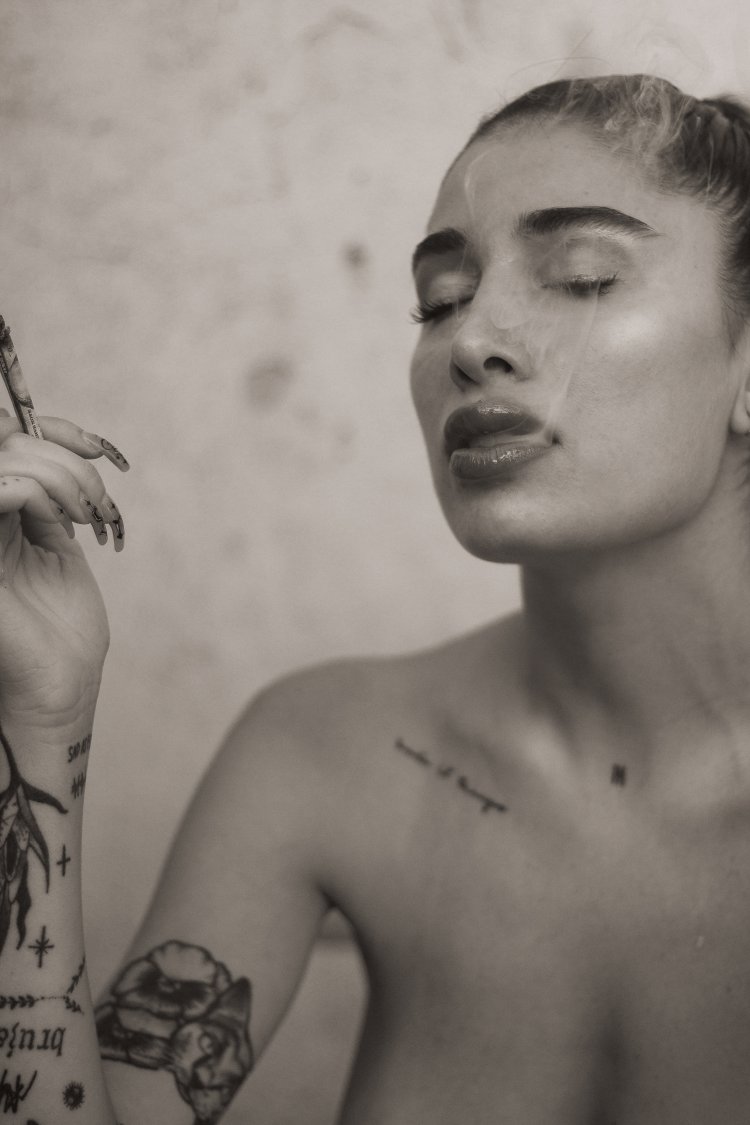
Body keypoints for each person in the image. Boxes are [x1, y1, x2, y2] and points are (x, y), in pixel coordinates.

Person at [4, 70, 750, 1123]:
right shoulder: (327, 753)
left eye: (581, 277)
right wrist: (39, 717)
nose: (470, 340)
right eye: (440, 299)